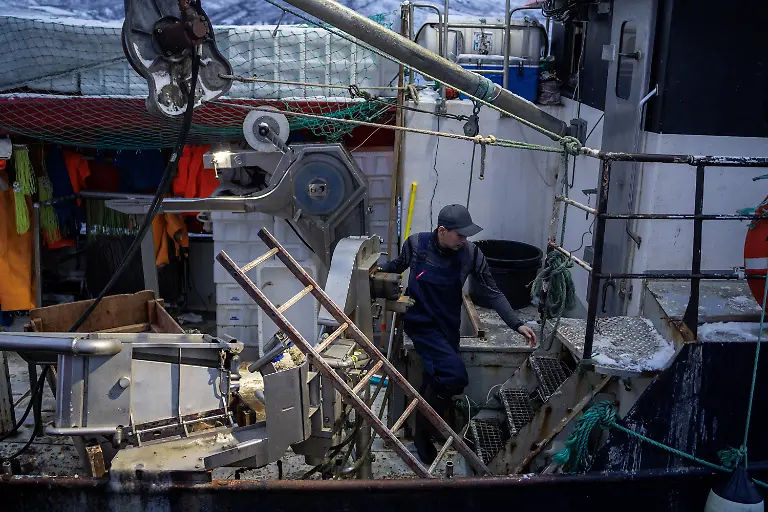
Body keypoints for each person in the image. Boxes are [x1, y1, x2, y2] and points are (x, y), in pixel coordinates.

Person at [380, 204, 537, 463]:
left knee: (436, 377)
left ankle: (426, 430)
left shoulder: (471, 254)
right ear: (442, 230)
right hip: (422, 324)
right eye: (460, 235)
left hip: (448, 326)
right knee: (455, 376)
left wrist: (516, 324)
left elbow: (493, 291)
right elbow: (395, 266)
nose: (465, 240)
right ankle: (423, 431)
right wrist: (370, 276)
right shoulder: (417, 245)